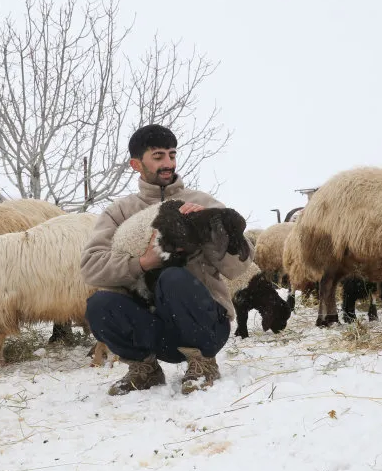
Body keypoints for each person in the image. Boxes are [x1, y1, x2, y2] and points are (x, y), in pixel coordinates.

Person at [80, 124, 254, 396]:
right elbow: (91, 267)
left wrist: (208, 230)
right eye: (158, 156)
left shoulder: (201, 201)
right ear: (136, 164)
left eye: (172, 155)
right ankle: (144, 368)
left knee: (173, 277)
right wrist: (142, 263)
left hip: (205, 325)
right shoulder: (120, 212)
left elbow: (240, 265)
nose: (168, 163)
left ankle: (203, 363)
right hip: (154, 329)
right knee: (99, 304)